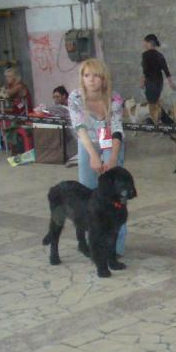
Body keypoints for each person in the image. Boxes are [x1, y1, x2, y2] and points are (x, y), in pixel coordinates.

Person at [68, 58, 127, 255]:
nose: (91, 80)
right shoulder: (75, 97)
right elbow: (79, 127)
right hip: (88, 142)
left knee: (115, 194)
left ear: (103, 78)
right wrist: (93, 155)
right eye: (87, 76)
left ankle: (116, 247)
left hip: (111, 141)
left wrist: (113, 159)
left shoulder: (114, 98)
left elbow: (117, 129)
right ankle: (92, 243)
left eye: (96, 76)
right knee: (88, 192)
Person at [140, 34, 176, 125]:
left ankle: (164, 121)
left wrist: (142, 81)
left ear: (149, 43)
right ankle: (161, 120)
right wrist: (171, 83)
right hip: (159, 83)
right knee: (154, 103)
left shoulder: (145, 55)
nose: (143, 44)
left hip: (150, 82)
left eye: (145, 42)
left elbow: (145, 70)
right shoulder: (160, 55)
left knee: (153, 104)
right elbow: (166, 70)